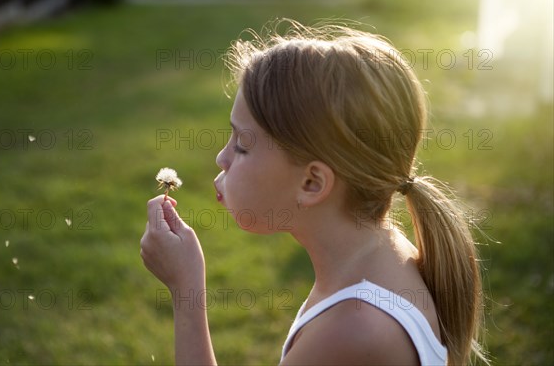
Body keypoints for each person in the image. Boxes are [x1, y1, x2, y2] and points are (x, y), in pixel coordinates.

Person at [140, 20, 488, 365]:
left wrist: (186, 291)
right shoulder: (383, 258)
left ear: (312, 183)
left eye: (243, 145)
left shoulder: (352, 331)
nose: (221, 157)